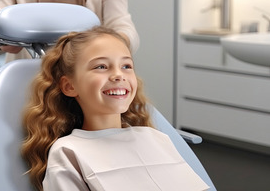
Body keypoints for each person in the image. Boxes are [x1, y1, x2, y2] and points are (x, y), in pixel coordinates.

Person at [22, 26, 209, 191]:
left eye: (127, 66)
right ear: (69, 86)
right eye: (101, 66)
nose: (119, 75)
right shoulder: (68, 153)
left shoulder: (155, 138)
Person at [0, 0, 139, 63]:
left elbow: (124, 30)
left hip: (85, 81)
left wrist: (104, 44)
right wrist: (3, 37)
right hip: (29, 82)